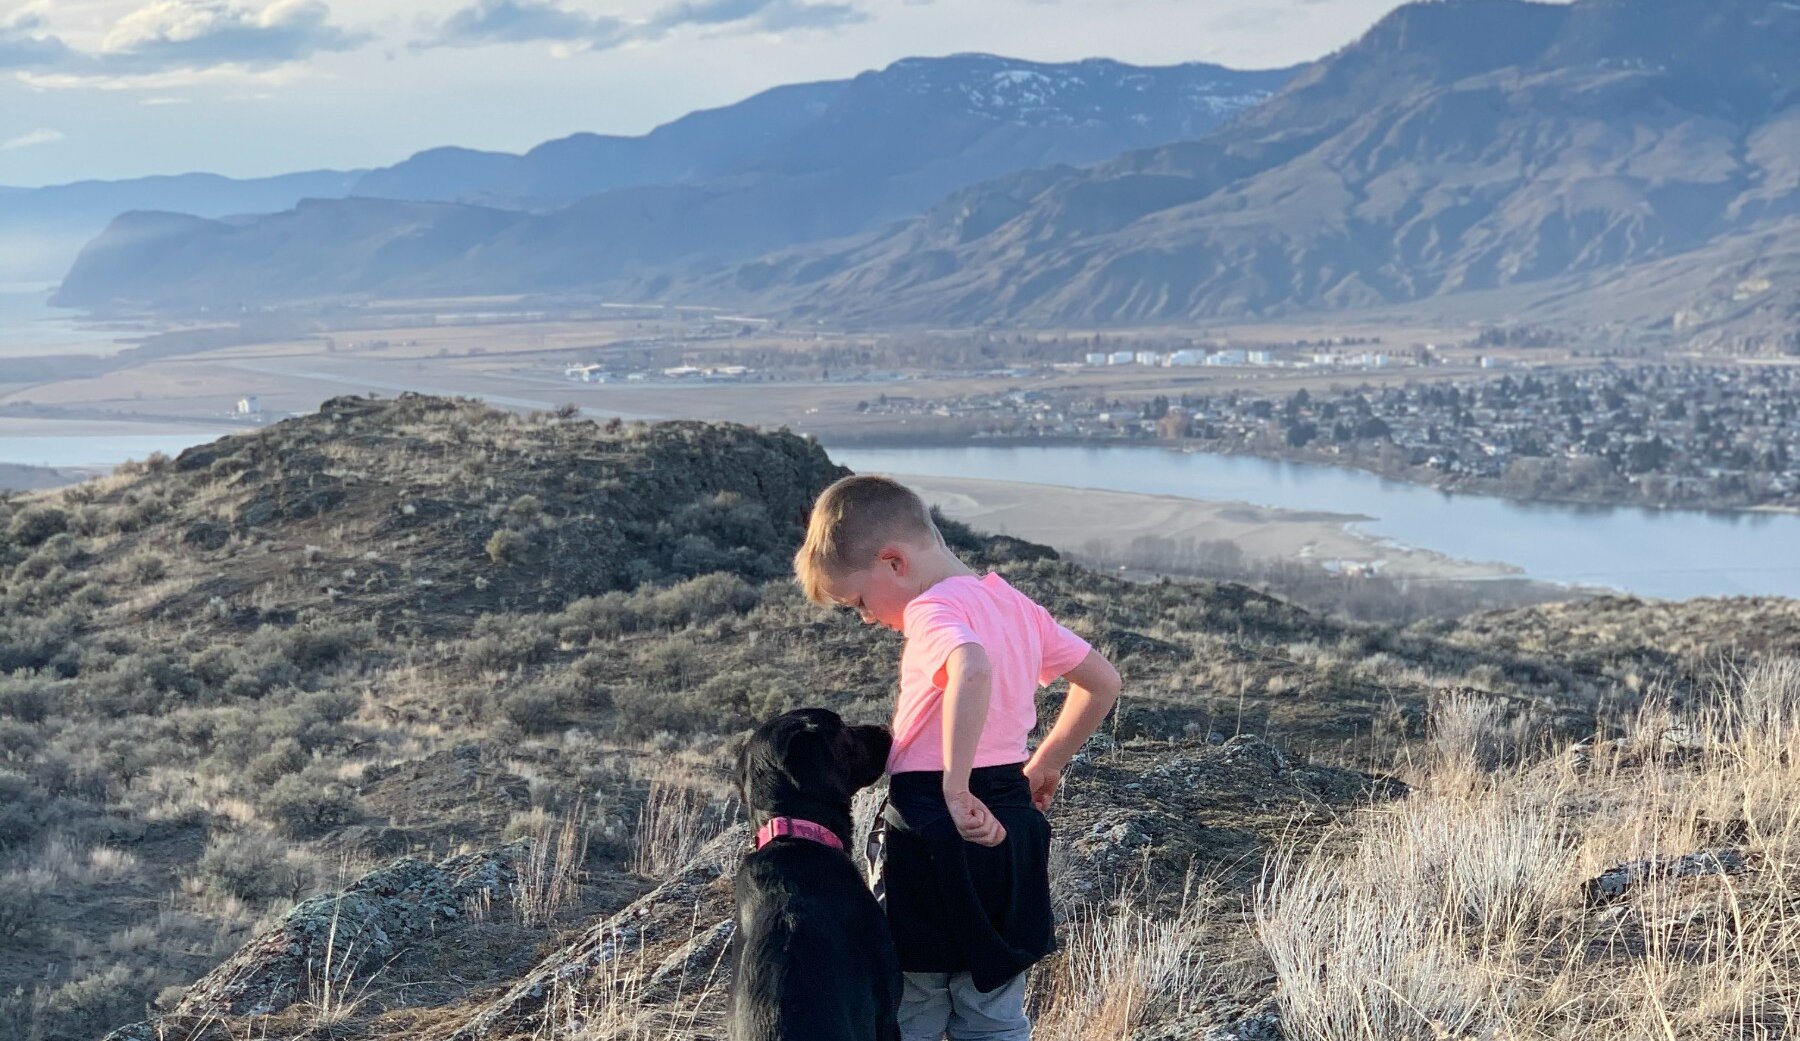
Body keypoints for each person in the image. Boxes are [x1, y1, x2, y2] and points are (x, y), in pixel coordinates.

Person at [794, 474, 1123, 1041]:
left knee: (915, 1005)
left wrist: (953, 787)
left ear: (894, 562)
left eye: (859, 603)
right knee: (993, 1009)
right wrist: (1046, 763)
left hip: (932, 823)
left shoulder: (929, 610)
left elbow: (970, 666)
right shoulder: (1014, 604)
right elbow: (1103, 682)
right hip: (1008, 821)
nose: (868, 618)